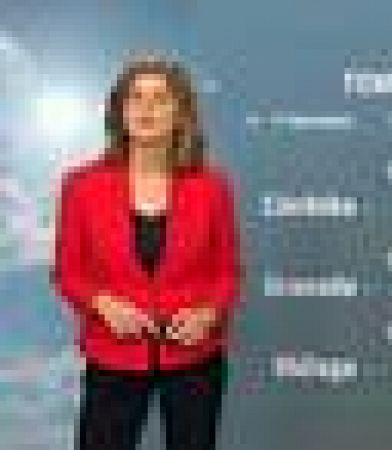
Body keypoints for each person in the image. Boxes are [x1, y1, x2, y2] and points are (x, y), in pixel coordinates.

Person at [50, 53, 243, 450]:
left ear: (180, 113)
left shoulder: (212, 187)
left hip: (194, 357)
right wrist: (102, 304)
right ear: (119, 112)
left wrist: (208, 314)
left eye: (160, 98)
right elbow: (67, 272)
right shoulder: (81, 185)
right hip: (113, 354)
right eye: (135, 97)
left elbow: (228, 272)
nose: (146, 108)